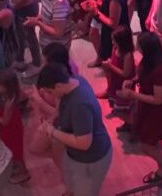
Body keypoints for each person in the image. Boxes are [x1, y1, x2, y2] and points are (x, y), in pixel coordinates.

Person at [35, 63, 114, 196]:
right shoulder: (76, 81)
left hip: (91, 158)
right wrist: (53, 121)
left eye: (49, 91)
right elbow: (63, 108)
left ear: (59, 86)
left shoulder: (80, 105)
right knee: (71, 180)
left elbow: (84, 143)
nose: (50, 95)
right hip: (75, 155)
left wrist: (53, 132)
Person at [118, 32, 162, 183]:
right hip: (147, 107)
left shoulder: (160, 69)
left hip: (156, 111)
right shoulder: (149, 60)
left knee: (146, 145)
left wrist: (133, 95)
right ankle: (161, 171)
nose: (136, 48)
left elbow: (157, 99)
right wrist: (133, 81)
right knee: (154, 141)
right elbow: (143, 75)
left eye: (139, 45)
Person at [0, 68, 31, 184]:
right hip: (9, 129)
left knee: (16, 152)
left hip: (11, 130)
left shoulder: (9, 102)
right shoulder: (7, 96)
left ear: (7, 87)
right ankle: (17, 167)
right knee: (12, 150)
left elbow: (5, 121)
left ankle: (23, 172)